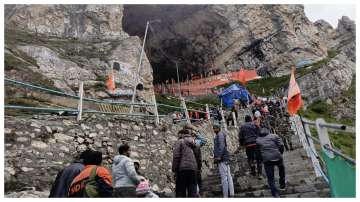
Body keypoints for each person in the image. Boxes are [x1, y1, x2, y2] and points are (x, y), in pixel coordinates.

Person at [256, 128, 286, 198]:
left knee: (270, 178)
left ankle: (275, 194)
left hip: (267, 160)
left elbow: (257, 153)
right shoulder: (274, 136)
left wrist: (262, 159)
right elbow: (281, 146)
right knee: (281, 169)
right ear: (268, 131)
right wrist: (280, 153)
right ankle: (282, 184)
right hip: (277, 156)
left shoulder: (257, 140)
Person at [172, 129, 198, 197]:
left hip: (183, 170)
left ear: (182, 134)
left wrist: (174, 169)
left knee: (180, 191)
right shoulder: (193, 143)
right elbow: (197, 156)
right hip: (193, 169)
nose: (177, 136)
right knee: (192, 191)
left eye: (178, 134)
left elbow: (176, 156)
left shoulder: (180, 141)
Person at [213, 123, 234, 198]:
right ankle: (231, 193)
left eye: (215, 128)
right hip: (225, 157)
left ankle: (226, 195)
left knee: (224, 177)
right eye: (213, 128)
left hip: (222, 158)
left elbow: (221, 146)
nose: (214, 129)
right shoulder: (220, 135)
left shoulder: (220, 135)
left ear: (218, 128)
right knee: (228, 176)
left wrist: (218, 156)